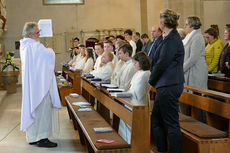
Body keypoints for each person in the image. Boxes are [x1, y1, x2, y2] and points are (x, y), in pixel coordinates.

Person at [20, 22, 61, 148]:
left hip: (34, 86)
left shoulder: (25, 45)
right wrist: (50, 49)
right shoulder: (34, 46)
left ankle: (32, 137)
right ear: (30, 34)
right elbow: (46, 58)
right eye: (37, 32)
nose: (39, 34)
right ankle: (42, 138)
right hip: (40, 87)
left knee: (34, 110)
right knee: (43, 112)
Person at [149, 9, 184, 153]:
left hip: (169, 85)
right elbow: (156, 58)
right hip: (165, 85)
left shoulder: (173, 40)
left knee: (171, 124)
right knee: (156, 120)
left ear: (163, 23)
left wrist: (150, 79)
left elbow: (162, 63)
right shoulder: (166, 38)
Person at [118, 51, 151, 144]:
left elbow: (139, 93)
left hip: (138, 103)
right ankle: (126, 142)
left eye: (135, 63)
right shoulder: (138, 73)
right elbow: (131, 89)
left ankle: (133, 144)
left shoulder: (145, 74)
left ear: (142, 62)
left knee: (135, 125)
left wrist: (126, 94)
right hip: (131, 100)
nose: (134, 65)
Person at [183, 16, 208, 89]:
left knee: (197, 95)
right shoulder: (189, 36)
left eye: (186, 24)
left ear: (192, 26)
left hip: (196, 70)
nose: (185, 26)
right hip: (190, 69)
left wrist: (182, 68)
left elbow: (193, 58)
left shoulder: (197, 37)